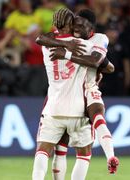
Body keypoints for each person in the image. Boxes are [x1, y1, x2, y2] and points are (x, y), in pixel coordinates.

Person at [36, 9, 119, 177]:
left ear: (91, 28)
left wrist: (65, 51)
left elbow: (41, 39)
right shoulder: (78, 42)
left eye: (81, 25)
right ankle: (110, 155)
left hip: (74, 94)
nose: (77, 28)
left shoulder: (97, 38)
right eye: (75, 24)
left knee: (95, 117)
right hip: (76, 97)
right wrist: (67, 47)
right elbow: (105, 65)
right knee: (74, 149)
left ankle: (111, 155)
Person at [32, 8, 97, 180]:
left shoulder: (47, 45)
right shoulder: (83, 44)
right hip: (78, 110)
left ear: (55, 25)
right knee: (83, 154)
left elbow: (41, 37)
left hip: (53, 108)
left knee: (43, 151)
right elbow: (99, 62)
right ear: (72, 24)